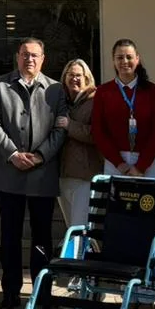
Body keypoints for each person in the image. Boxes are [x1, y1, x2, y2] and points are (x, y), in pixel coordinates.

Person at [0, 37, 68, 309]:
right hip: (9, 173)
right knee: (9, 236)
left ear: (43, 59)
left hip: (42, 175)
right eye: (24, 54)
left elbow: (61, 127)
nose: (29, 59)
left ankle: (42, 294)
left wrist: (41, 155)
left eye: (34, 55)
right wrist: (12, 153)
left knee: (42, 238)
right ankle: (10, 294)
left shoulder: (56, 89)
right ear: (17, 57)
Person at [92, 38, 155, 178]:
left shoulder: (151, 90)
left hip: (148, 163)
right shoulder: (103, 92)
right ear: (113, 61)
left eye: (129, 57)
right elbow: (98, 131)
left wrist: (141, 166)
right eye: (119, 57)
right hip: (116, 164)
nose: (124, 61)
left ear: (137, 59)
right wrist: (119, 163)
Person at [57, 58, 102, 233]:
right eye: (70, 75)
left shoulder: (96, 100)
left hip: (86, 176)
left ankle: (81, 253)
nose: (74, 79)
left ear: (87, 78)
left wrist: (70, 126)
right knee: (72, 228)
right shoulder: (61, 101)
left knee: (79, 228)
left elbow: (98, 134)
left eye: (78, 75)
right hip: (63, 174)